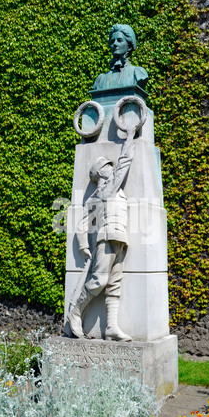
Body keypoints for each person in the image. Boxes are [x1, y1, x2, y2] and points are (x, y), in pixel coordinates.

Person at [67, 125, 136, 341]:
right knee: (99, 280)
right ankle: (75, 313)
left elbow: (83, 224)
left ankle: (111, 328)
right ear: (101, 173)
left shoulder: (112, 190)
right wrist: (130, 136)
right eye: (107, 166)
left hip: (120, 238)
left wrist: (83, 245)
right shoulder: (106, 189)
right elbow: (124, 162)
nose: (111, 167)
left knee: (114, 284)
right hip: (105, 239)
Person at [92, 24, 148, 91]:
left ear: (129, 47)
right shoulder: (101, 80)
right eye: (112, 41)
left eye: (119, 40)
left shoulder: (137, 74)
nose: (115, 44)